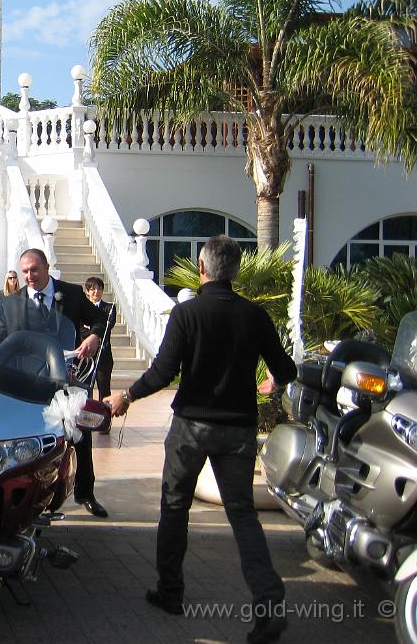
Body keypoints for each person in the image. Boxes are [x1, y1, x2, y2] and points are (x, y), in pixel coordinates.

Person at [108, 236, 297, 644]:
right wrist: (274, 381)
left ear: (202, 268)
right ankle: (268, 603)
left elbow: (162, 372)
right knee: (243, 515)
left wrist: (127, 396)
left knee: (175, 507)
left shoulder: (188, 314)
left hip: (191, 426)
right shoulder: (255, 315)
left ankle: (170, 592)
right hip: (239, 429)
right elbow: (286, 367)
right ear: (236, 270)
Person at [8, 248, 109, 518]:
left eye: (34, 270)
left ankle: (86, 493)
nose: (29, 276)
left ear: (47, 266)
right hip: (29, 383)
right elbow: (1, 337)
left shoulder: (73, 294)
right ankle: (34, 494)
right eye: (25, 271)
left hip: (69, 379)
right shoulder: (14, 301)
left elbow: (100, 318)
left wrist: (94, 336)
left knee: (81, 434)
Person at [84, 277, 116, 434]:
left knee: (104, 390)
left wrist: (92, 329)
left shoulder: (109, 308)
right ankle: (87, 421)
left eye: (99, 289)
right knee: (86, 390)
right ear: (87, 291)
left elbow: (106, 327)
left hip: (103, 356)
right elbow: (81, 330)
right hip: (87, 357)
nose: (96, 292)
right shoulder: (82, 308)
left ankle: (105, 422)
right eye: (93, 289)